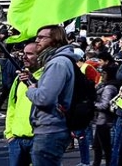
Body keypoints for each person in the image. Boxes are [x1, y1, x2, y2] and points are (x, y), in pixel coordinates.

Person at [17, 25, 77, 166]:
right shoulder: (57, 61)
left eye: (42, 37)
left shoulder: (57, 63)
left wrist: (31, 90)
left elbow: (44, 98)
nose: (37, 41)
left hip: (50, 129)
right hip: (50, 128)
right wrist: (34, 81)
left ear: (55, 40)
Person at [6, 42, 41, 166]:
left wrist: (33, 81)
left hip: (39, 140)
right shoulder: (19, 79)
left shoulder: (47, 77)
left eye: (30, 54)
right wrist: (9, 133)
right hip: (17, 140)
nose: (24, 57)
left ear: (41, 56)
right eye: (24, 54)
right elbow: (11, 105)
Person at [93, 65, 120, 166]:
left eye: (104, 73)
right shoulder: (106, 85)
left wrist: (91, 104)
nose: (102, 75)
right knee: (98, 146)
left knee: (105, 148)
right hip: (102, 120)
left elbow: (104, 105)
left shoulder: (109, 88)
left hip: (104, 120)